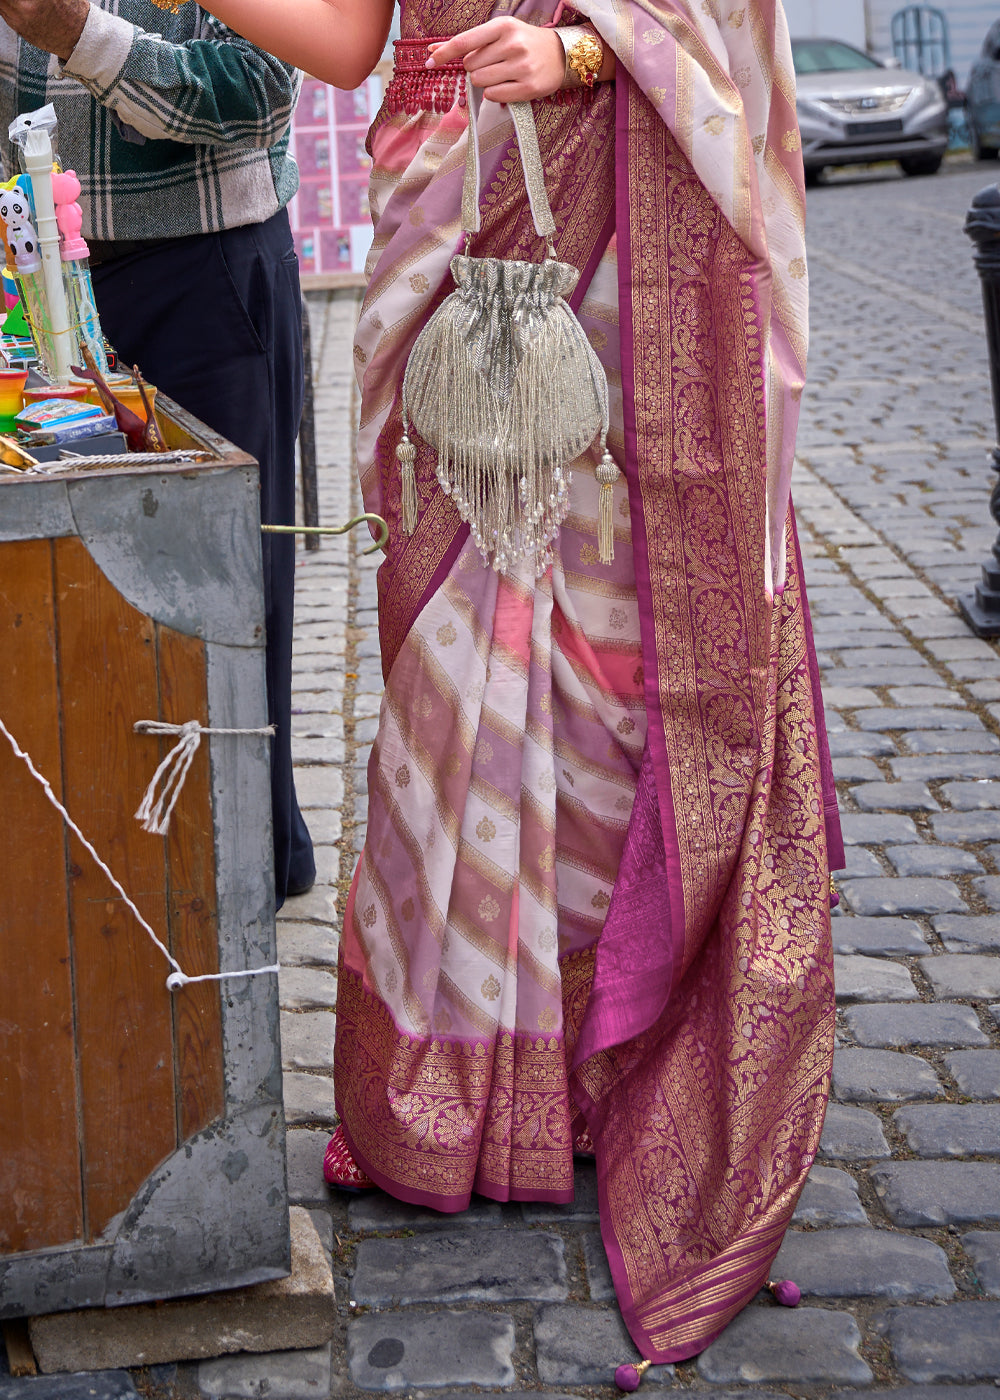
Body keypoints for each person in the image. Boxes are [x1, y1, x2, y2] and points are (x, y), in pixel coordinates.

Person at [195, 0, 844, 1373]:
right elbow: (348, 36)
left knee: (614, 681)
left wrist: (590, 49)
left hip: (618, 241)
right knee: (448, 674)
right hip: (446, 231)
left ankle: (609, 1063)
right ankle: (461, 1093)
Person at [0, 0, 315, 905]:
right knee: (58, 588)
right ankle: (102, 875)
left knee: (231, 591)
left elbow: (256, 90)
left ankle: (241, 882)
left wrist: (77, 34)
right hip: (34, 275)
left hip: (205, 269)